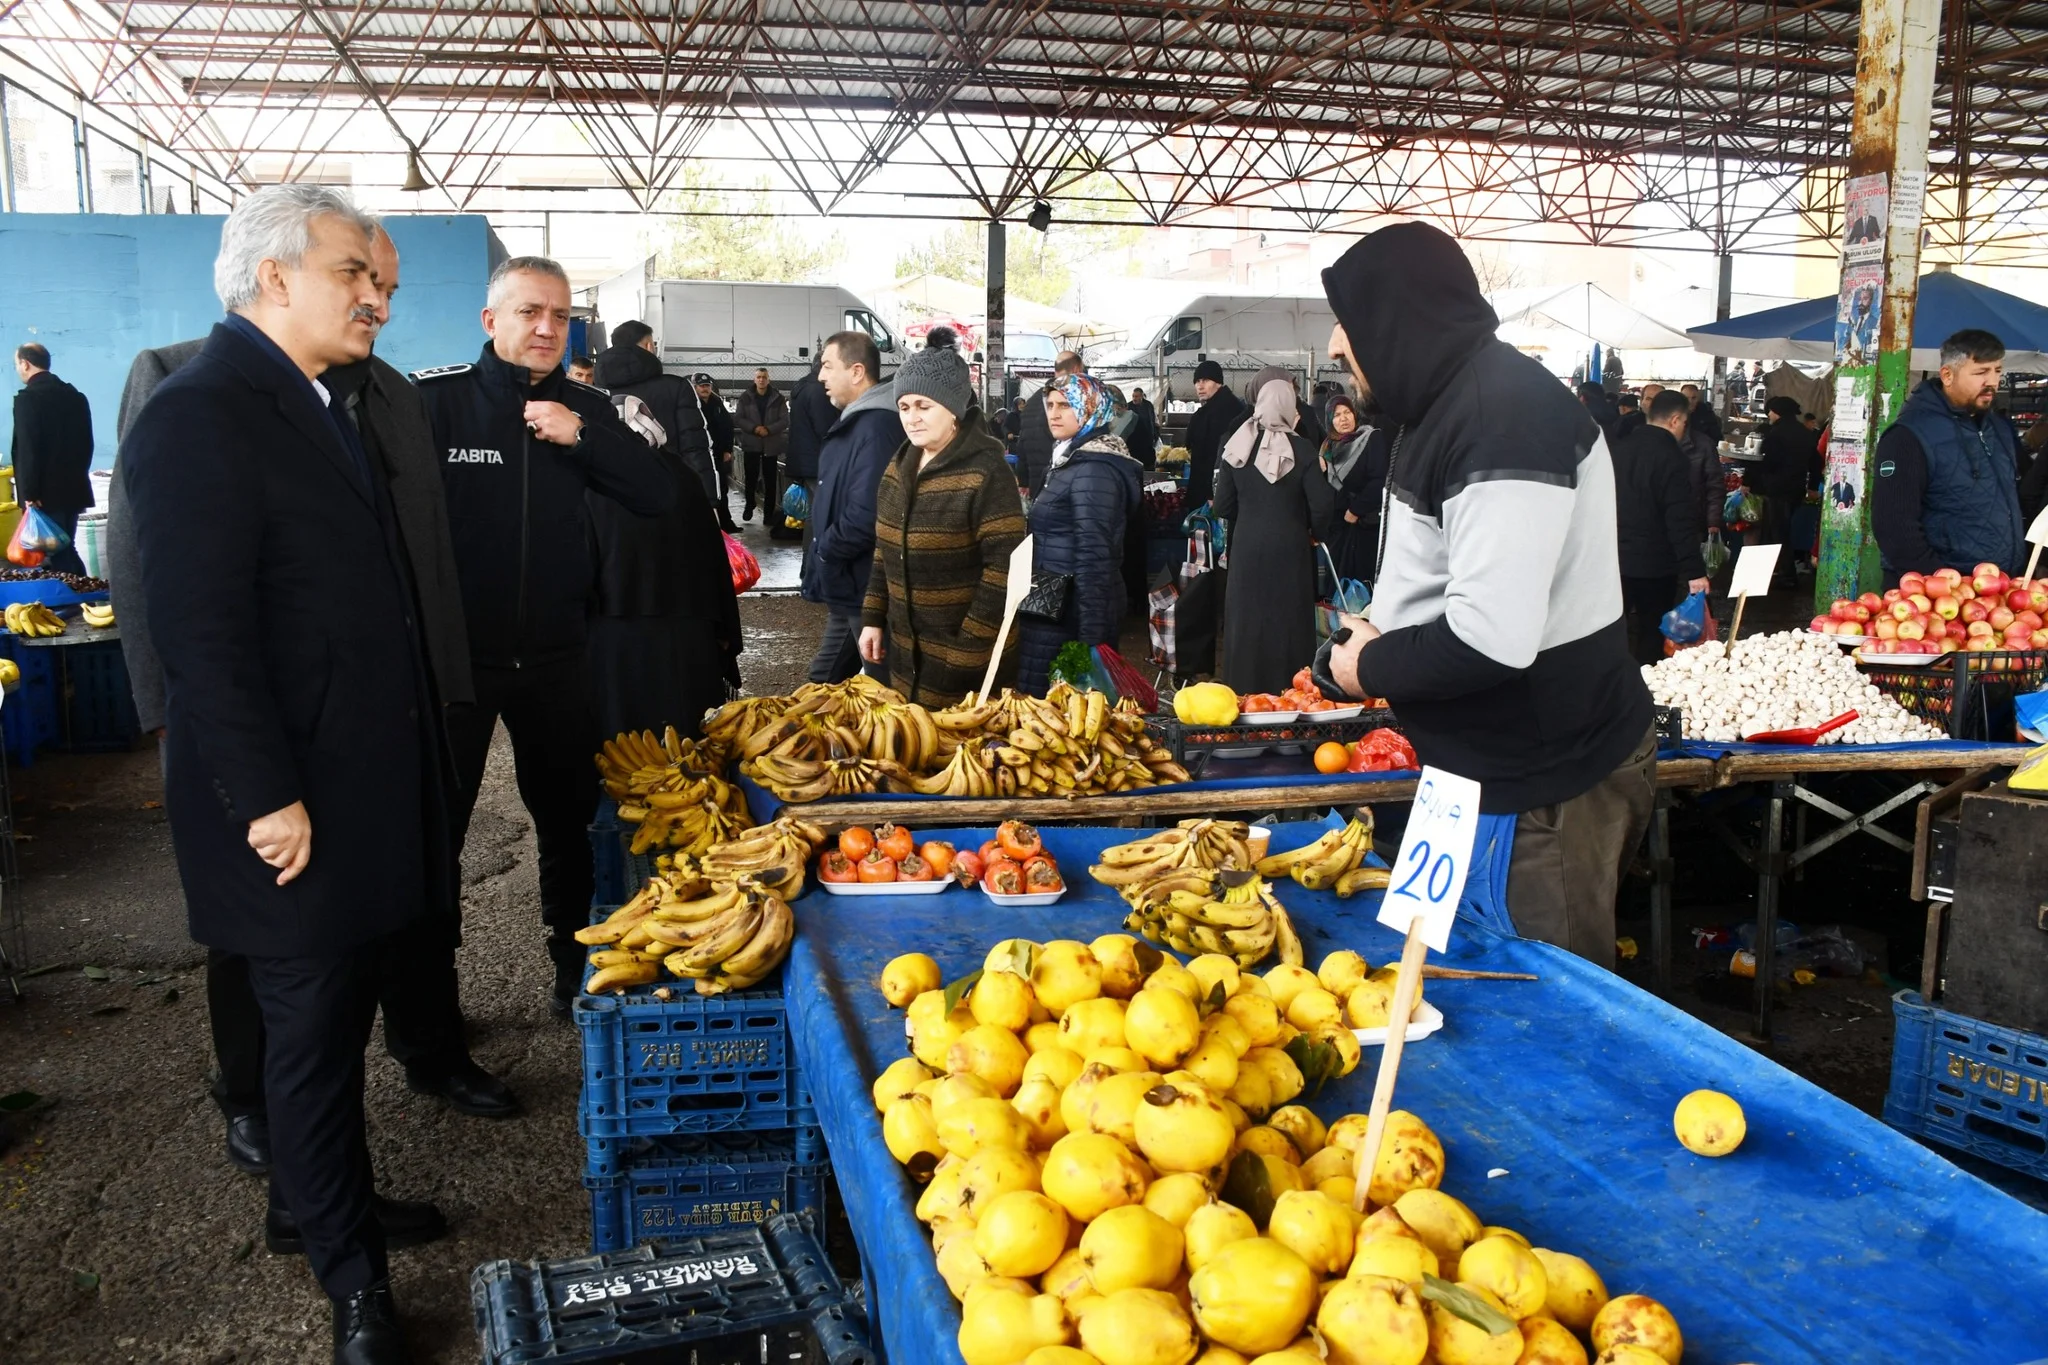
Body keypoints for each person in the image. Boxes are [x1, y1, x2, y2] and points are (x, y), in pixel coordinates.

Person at [122, 184, 449, 1365]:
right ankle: (353, 1287)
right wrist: (263, 797)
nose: (375, 298)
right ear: (275, 278)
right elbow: (197, 633)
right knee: (306, 1043)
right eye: (354, 275)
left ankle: (313, 1207)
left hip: (348, 784)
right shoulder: (202, 412)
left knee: (338, 1020)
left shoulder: (313, 401)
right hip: (288, 805)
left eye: (377, 281)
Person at [1317, 221, 1656, 967]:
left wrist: (1367, 667)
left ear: (1398, 319)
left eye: (1351, 320)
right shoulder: (1443, 405)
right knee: (1450, 979)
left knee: (1537, 1004)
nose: (1339, 345)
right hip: (1471, 770)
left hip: (1543, 784)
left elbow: (1489, 635)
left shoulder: (1503, 420)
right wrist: (1377, 627)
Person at [415, 255, 674, 1026]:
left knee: (566, 825)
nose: (546, 328)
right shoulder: (438, 403)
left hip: (558, 658)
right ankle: (433, 1015)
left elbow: (659, 495)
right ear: (491, 321)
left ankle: (573, 972)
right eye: (529, 312)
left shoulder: (589, 407)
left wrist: (581, 437)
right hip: (459, 664)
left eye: (560, 316)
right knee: (437, 836)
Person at [859, 334, 1027, 705]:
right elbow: (883, 549)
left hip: (971, 665)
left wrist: (967, 648)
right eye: (904, 407)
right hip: (907, 656)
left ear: (952, 408)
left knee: (964, 754)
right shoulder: (899, 465)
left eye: (923, 405)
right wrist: (873, 617)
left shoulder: (987, 471)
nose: (912, 418)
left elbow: (1004, 570)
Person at [585, 394, 741, 741]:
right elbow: (712, 557)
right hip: (688, 628)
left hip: (613, 633)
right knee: (687, 736)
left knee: (621, 742)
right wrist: (726, 629)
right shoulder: (682, 475)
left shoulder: (588, 476)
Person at [1016, 373, 1141, 696]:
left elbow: (1095, 555)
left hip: (1069, 616)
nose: (1054, 413)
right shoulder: (1069, 459)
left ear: (1090, 410)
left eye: (1065, 405)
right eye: (1050, 404)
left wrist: (1092, 641)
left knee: (1064, 720)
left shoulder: (1094, 469)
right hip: (1051, 608)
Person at [1212, 377, 1338, 693]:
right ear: (1289, 407)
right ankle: (1292, 697)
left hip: (1247, 549)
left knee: (1247, 623)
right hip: (1291, 548)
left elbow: (1223, 505)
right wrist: (1314, 533)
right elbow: (1323, 506)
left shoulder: (1237, 444)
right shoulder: (1303, 449)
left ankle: (1244, 696)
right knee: (1290, 623)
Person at [1872, 329, 2027, 583]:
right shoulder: (1908, 436)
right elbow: (1894, 525)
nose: (1992, 382)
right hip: (1933, 594)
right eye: (1980, 372)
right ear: (1947, 375)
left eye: (1997, 371)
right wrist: (1940, 581)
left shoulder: (1998, 429)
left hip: (1997, 588)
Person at [801, 329, 898, 683]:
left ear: (856, 371)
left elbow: (868, 513)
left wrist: (824, 551)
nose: (821, 376)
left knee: (882, 688)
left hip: (865, 582)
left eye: (828, 366)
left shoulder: (875, 427)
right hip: (849, 581)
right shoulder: (859, 421)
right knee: (823, 681)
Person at [1614, 390, 1711, 665]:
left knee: (1614, 628)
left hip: (1613, 558)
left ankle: (1612, 690)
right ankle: (1644, 688)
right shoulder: (1672, 458)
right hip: (1654, 564)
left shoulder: (1618, 449)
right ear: (1676, 420)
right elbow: (1679, 518)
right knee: (1651, 630)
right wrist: (1694, 571)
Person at [594, 320, 717, 504]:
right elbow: (695, 448)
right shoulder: (676, 387)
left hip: (613, 499)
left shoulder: (596, 392)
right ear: (649, 346)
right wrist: (708, 501)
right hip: (670, 495)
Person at [10, 343, 95, 576]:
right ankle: (80, 594)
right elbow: (87, 443)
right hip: (74, 488)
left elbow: (28, 449)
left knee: (56, 551)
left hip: (44, 494)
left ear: (25, 364)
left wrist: (29, 492)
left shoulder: (28, 400)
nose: (18, 369)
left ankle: (72, 601)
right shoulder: (75, 396)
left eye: (17, 364)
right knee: (65, 546)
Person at [1319, 393, 1393, 589]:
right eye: (1336, 415)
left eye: (1347, 412)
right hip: (1337, 529)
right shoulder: (1328, 447)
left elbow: (1379, 480)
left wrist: (1355, 510)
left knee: (1360, 587)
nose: (1343, 418)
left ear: (1355, 414)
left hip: (1363, 526)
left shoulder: (1370, 438)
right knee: (1336, 585)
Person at [1743, 396, 1817, 585]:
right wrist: (1813, 486)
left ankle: (1786, 575)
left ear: (1776, 412)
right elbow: (1816, 462)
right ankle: (1777, 571)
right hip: (1796, 489)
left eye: (1770, 411)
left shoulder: (1775, 433)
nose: (1769, 415)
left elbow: (1764, 462)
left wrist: (1749, 480)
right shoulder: (1805, 433)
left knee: (1777, 532)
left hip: (1776, 489)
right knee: (1782, 530)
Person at [1013, 350, 1085, 495]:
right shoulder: (1072, 399)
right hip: (1065, 484)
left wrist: (1024, 480)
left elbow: (1022, 444)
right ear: (1077, 369)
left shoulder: (1033, 400)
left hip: (1036, 485)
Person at [784, 358, 836, 546]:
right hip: (817, 461)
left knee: (814, 513)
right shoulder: (818, 391)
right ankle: (811, 563)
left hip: (805, 459)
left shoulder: (803, 386)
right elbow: (825, 428)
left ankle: (809, 563)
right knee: (819, 513)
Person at [1185, 359, 1248, 508]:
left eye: (1206, 380)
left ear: (1218, 382)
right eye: (1197, 381)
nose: (1200, 386)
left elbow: (1213, 457)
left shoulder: (1223, 412)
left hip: (1215, 494)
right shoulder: (1223, 407)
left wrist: (1211, 494)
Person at [734, 367, 788, 523]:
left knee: (770, 481)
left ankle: (768, 514)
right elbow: (739, 418)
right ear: (754, 379)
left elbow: (784, 420)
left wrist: (769, 430)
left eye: (764, 377)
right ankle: (749, 504)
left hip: (770, 446)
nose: (761, 380)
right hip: (752, 444)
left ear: (768, 379)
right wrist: (755, 428)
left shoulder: (778, 398)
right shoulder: (745, 397)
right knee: (750, 477)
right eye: (758, 377)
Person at [695, 373, 740, 531]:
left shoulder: (717, 402)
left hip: (718, 453)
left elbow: (727, 427)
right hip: (700, 454)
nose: (704, 389)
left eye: (707, 386)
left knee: (722, 488)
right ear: (695, 387)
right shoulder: (692, 405)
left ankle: (726, 523)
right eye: (701, 386)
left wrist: (727, 449)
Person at [1125, 384, 1158, 468]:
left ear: (1142, 396)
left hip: (1147, 439)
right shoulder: (1129, 406)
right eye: (1133, 396)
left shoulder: (1148, 405)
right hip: (1133, 441)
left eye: (1136, 396)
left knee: (1147, 463)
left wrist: (1155, 435)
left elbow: (1152, 420)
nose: (1134, 399)